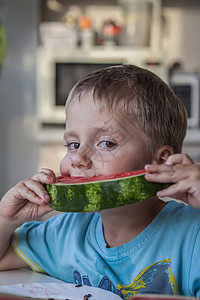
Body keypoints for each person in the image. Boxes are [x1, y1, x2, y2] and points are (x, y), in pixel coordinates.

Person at [0, 65, 200, 299]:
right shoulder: (66, 233)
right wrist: (7, 219)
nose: (78, 159)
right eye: (73, 144)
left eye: (107, 143)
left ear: (163, 161)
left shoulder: (192, 235)